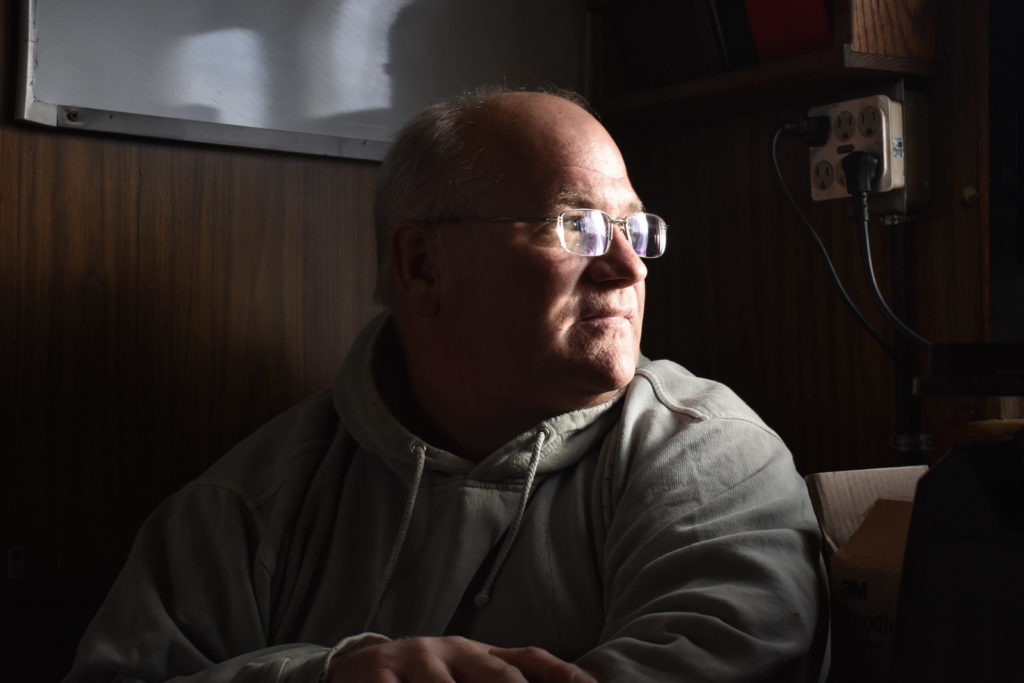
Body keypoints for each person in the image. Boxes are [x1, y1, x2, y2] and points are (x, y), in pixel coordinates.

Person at [64, 87, 829, 682]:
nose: (628, 268)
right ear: (422, 265)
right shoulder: (250, 505)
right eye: (577, 226)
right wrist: (326, 673)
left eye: (634, 229)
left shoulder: (712, 456)